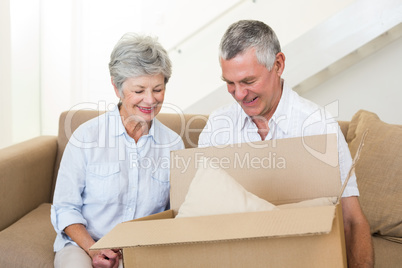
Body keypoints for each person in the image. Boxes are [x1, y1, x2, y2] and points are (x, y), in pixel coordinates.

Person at [198, 20, 373, 267]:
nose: (239, 94)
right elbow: (197, 216)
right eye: (229, 83)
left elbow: (351, 220)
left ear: (278, 64)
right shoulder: (218, 126)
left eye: (248, 81)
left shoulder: (317, 126)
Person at [51, 33, 184, 268]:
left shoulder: (173, 144)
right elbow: (65, 207)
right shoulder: (86, 137)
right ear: (116, 87)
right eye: (139, 90)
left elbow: (176, 213)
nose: (150, 100)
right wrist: (94, 249)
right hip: (85, 245)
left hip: (143, 249)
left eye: (158, 89)